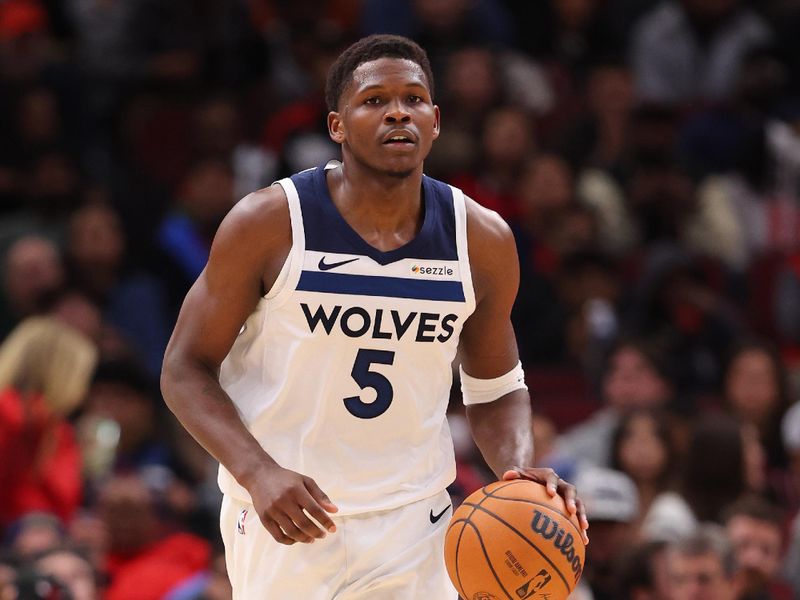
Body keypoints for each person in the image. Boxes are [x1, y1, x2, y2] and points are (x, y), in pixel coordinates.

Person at [160, 34, 588, 599]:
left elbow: (497, 386)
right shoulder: (269, 222)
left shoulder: (480, 239)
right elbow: (184, 369)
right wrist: (257, 471)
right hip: (286, 518)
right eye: (374, 100)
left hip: (415, 521)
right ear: (337, 125)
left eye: (413, 100)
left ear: (435, 121)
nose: (397, 113)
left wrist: (517, 471)